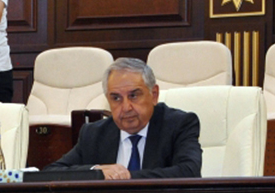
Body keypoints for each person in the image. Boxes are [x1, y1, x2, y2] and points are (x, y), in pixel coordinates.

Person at [45, 57, 202, 180]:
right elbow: (51, 173)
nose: (126, 107)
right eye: (116, 98)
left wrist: (125, 178)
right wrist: (96, 171)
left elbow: (189, 171)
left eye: (134, 95)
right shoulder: (94, 134)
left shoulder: (179, 124)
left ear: (153, 95)